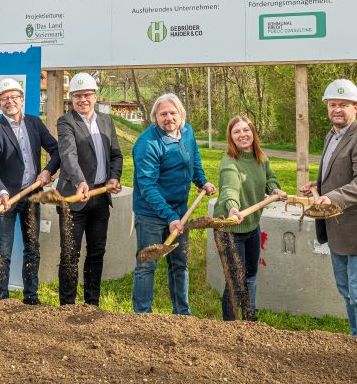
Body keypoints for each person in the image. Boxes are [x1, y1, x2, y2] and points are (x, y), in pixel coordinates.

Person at [298, 78, 357, 340]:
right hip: (339, 231)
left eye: (343, 105)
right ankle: (355, 347)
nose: (337, 109)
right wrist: (320, 185)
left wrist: (333, 196)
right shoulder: (333, 135)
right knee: (347, 291)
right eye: (332, 104)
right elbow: (341, 173)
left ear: (356, 107)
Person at [131, 93, 217, 315]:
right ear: (155, 118)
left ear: (181, 115)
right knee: (147, 264)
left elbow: (194, 159)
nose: (168, 118)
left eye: (173, 113)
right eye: (163, 114)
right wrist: (170, 217)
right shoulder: (147, 144)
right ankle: (142, 315)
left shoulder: (187, 132)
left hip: (180, 211)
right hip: (151, 214)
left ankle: (182, 313)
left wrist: (202, 180)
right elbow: (147, 186)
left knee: (179, 264)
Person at [0, 78, 60, 304]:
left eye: (14, 97)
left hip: (32, 195)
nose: (10, 101)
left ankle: (31, 298)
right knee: (3, 251)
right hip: (7, 199)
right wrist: (1, 192)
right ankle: (1, 299)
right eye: (4, 98)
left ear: (22, 99)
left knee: (32, 248)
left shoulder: (35, 124)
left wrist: (47, 171)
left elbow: (56, 150)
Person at [55, 72, 123, 307]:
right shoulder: (66, 122)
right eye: (77, 95)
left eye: (87, 95)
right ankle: (67, 305)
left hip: (101, 197)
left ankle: (91, 304)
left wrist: (114, 178)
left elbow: (116, 155)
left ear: (95, 96)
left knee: (96, 252)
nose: (82, 99)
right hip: (74, 196)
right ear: (71, 98)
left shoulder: (107, 121)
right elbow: (68, 154)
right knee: (70, 254)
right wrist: (79, 181)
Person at [215, 114, 286, 321]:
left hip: (252, 225)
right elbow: (229, 189)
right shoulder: (229, 163)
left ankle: (249, 319)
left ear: (253, 133)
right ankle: (229, 327)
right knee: (235, 281)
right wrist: (232, 208)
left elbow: (270, 177)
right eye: (236, 132)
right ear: (231, 137)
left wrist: (274, 189)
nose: (242, 135)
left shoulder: (261, 159)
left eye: (246, 130)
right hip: (229, 228)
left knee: (251, 276)